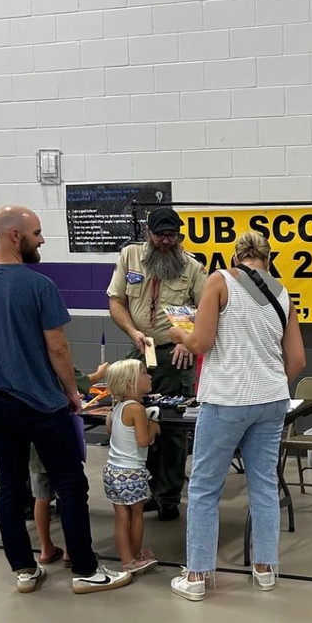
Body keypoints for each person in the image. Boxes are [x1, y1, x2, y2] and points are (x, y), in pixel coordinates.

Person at [0, 205, 131, 594]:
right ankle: (86, 570)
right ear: (15, 235)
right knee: (70, 486)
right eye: (36, 233)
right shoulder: (39, 286)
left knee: (9, 487)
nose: (42, 239)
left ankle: (24, 570)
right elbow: (58, 349)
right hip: (43, 405)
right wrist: (72, 392)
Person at [167, 230, 306, 601]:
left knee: (204, 488)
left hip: (226, 399)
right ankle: (265, 570)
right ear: (268, 259)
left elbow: (201, 342)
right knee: (264, 485)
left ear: (235, 258)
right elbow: (297, 360)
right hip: (273, 400)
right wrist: (270, 384)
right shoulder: (283, 293)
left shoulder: (219, 281)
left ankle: (196, 576)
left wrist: (179, 336)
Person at [106, 207, 207, 522]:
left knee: (173, 429)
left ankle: (168, 497)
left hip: (176, 354)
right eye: (160, 235)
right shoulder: (130, 257)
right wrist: (132, 332)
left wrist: (187, 340)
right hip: (140, 351)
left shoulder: (192, 267)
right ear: (148, 233)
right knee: (137, 419)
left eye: (171, 235)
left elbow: (207, 311)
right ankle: (145, 490)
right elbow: (116, 301)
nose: (165, 241)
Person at [32, 362, 107, 566]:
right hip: (58, 433)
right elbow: (80, 381)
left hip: (34, 439)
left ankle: (46, 549)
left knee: (41, 497)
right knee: (69, 495)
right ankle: (72, 551)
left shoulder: (26, 364)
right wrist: (100, 373)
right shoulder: (55, 359)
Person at [102, 359, 160, 576]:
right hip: (131, 473)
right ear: (129, 383)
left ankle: (127, 559)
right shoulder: (137, 409)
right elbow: (143, 441)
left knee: (121, 518)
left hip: (112, 471)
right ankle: (134, 557)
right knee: (136, 515)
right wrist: (154, 427)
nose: (149, 376)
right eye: (144, 373)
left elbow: (111, 432)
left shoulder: (117, 407)